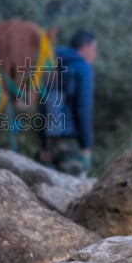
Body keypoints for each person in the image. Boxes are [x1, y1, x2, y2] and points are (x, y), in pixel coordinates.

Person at [41, 29, 97, 177]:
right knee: (74, 190)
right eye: (94, 48)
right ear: (85, 47)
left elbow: (42, 103)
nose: (95, 54)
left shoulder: (51, 64)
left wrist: (43, 144)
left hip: (50, 138)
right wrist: (86, 144)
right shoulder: (83, 68)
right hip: (71, 140)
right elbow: (83, 108)